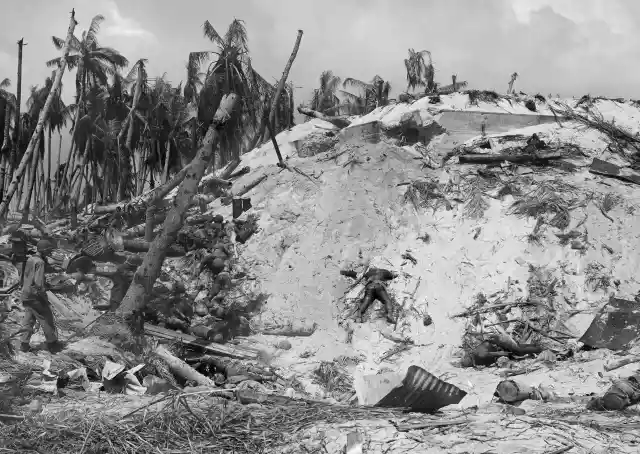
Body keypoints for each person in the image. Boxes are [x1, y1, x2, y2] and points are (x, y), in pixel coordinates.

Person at [19, 239, 63, 353]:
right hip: (35, 296)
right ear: (44, 250)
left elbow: (26, 275)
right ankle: (52, 344)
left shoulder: (31, 259)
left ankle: (24, 344)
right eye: (49, 250)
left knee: (29, 319)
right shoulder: (40, 263)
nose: (50, 253)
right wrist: (46, 291)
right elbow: (39, 283)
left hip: (26, 294)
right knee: (46, 319)